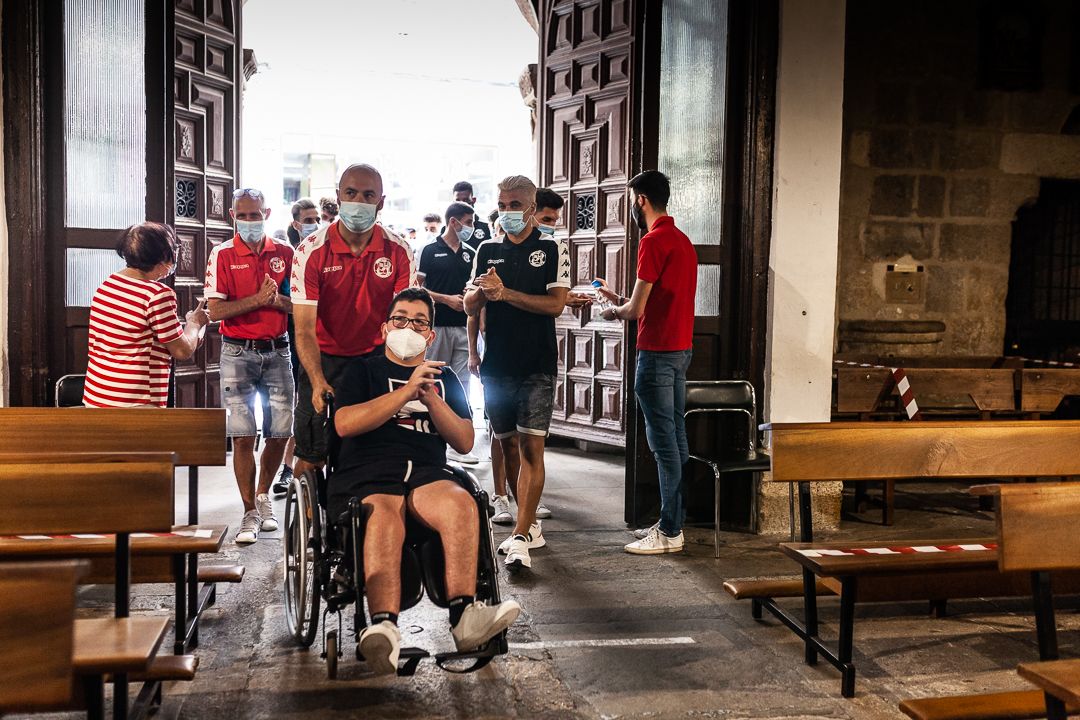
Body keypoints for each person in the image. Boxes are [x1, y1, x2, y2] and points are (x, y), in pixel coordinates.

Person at [329, 288, 521, 674]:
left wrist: (430, 398)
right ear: (385, 327)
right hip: (368, 470)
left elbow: (465, 441)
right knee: (383, 512)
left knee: (461, 502)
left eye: (419, 322)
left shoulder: (445, 377)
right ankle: (384, 626)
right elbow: (345, 424)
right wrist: (404, 392)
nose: (408, 327)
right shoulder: (360, 371)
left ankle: (465, 616)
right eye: (400, 319)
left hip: (427, 470)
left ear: (430, 335)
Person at [464, 175, 570, 571]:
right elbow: (470, 305)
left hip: (537, 365)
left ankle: (522, 535)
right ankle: (526, 521)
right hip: (498, 366)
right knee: (507, 446)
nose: (507, 212)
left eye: (514, 205)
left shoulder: (551, 248)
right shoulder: (486, 249)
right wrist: (481, 292)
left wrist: (506, 293)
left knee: (531, 448)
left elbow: (556, 305)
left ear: (530, 208)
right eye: (502, 204)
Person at [593, 171, 697, 555]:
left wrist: (611, 311)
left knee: (663, 445)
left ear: (640, 200)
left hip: (655, 355)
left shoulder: (652, 241)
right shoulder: (682, 241)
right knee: (677, 439)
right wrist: (615, 296)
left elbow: (635, 310)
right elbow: (653, 301)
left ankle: (669, 532)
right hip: (680, 351)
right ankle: (674, 522)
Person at [291, 164, 415, 480]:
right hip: (325, 357)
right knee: (312, 452)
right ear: (338, 196)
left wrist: (407, 376)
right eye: (351, 193)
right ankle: (308, 517)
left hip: (375, 357)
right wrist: (317, 380)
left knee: (373, 446)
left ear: (381, 202)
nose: (358, 201)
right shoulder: (311, 250)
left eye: (368, 194)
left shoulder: (399, 250)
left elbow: (407, 319)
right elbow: (304, 328)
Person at [204, 188, 295, 544]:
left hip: (279, 352)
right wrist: (257, 300)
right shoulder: (223, 254)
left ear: (267, 213)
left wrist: (276, 302)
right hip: (237, 353)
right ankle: (248, 513)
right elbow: (215, 311)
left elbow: (296, 305)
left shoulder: (285, 253)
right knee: (243, 436)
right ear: (232, 216)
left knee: (279, 432)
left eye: (255, 215)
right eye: (243, 216)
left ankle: (262, 498)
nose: (250, 222)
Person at [83, 223, 209, 407]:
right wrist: (195, 323)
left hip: (97, 395)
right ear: (163, 257)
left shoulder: (108, 285)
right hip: (135, 401)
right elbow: (182, 350)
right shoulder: (157, 295)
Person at [418, 201, 479, 465]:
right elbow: (417, 288)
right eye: (468, 223)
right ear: (453, 222)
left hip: (465, 326)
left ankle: (458, 444)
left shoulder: (470, 252)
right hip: (438, 326)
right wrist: (444, 299)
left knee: (462, 385)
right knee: (434, 381)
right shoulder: (429, 250)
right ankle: (431, 439)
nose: (471, 228)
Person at [272, 198, 322, 495]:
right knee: (300, 405)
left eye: (318, 218)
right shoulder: (289, 258)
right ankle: (288, 466)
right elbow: (279, 300)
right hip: (294, 339)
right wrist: (305, 307)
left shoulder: (323, 253)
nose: (314, 223)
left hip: (325, 341)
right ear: (296, 223)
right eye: (309, 219)